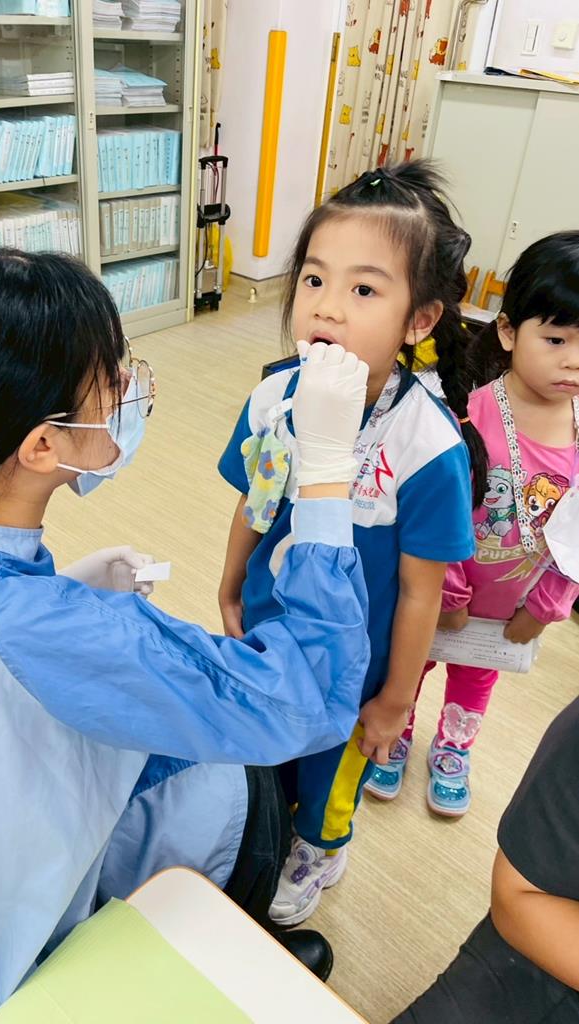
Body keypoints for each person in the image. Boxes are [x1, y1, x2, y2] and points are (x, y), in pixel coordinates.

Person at [0, 246, 372, 1023]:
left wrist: (61, 588)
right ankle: (242, 946)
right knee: (237, 787)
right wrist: (328, 470)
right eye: (111, 375)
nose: (127, 385)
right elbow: (307, 698)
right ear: (41, 445)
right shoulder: (54, 629)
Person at [217, 160, 482, 927]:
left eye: (363, 290)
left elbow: (421, 590)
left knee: (328, 780)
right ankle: (261, 834)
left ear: (418, 320)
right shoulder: (272, 396)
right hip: (269, 637)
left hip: (355, 673)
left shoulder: (426, 443)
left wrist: (394, 700)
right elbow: (255, 497)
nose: (326, 307)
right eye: (313, 279)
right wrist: (231, 585)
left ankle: (317, 850)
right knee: (262, 754)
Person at [367, 231, 579, 815]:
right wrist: (451, 593)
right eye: (556, 339)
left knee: (476, 679)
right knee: (412, 662)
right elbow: (439, 512)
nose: (573, 359)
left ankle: (454, 747)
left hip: (513, 605)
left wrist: (548, 605)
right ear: (508, 332)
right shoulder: (469, 416)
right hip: (438, 593)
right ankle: (397, 730)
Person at [391, 694, 579, 1023]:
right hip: (540, 951)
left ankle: (454, 742)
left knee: (473, 681)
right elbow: (519, 896)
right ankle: (409, 730)